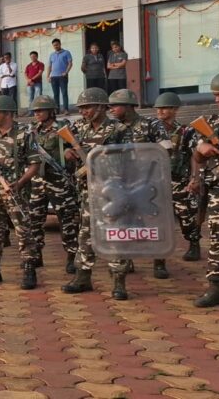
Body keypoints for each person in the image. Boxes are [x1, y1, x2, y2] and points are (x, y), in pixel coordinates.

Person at [60, 88, 131, 297]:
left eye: (87, 107)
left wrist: (103, 162)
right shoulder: (79, 128)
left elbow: (130, 158)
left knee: (116, 236)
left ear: (101, 107)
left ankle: (119, 282)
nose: (83, 112)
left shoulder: (118, 129)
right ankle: (82, 277)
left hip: (113, 192)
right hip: (87, 192)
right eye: (81, 108)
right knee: (85, 234)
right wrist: (68, 151)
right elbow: (64, 146)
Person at [0, 96, 41, 289]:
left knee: (23, 231)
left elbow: (35, 164)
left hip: (14, 191)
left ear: (8, 113)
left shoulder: (25, 134)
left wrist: (19, 183)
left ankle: (29, 269)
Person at [108, 88, 171, 289]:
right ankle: (124, 264)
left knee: (155, 223)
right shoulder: (113, 128)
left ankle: (159, 260)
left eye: (115, 105)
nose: (111, 109)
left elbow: (166, 149)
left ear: (128, 106)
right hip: (123, 186)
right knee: (123, 226)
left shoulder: (151, 124)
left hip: (149, 184)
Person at [27, 95, 80, 274]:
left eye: (40, 110)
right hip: (38, 181)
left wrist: (68, 151)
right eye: (35, 111)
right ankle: (36, 256)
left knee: (67, 219)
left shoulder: (63, 128)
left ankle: (72, 257)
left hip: (59, 180)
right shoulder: (33, 131)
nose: (37, 114)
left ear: (51, 111)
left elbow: (78, 147)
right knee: (35, 219)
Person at [153, 92, 201, 262]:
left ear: (175, 109)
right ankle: (159, 258)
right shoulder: (152, 130)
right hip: (157, 183)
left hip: (179, 182)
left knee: (186, 216)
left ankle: (194, 244)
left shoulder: (186, 131)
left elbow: (194, 155)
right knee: (156, 220)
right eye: (158, 108)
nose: (160, 111)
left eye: (164, 108)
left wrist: (194, 179)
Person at [190, 72, 219, 307]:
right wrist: (201, 148)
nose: (218, 100)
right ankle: (217, 287)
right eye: (215, 95)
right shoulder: (213, 122)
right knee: (218, 238)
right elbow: (196, 158)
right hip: (217, 191)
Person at [46, 38, 73, 114]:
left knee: (64, 93)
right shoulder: (52, 55)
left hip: (62, 76)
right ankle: (56, 110)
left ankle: (66, 109)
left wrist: (66, 72)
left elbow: (70, 63)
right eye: (54, 45)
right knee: (55, 94)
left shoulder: (66, 52)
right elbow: (49, 66)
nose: (56, 46)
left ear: (60, 44)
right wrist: (48, 76)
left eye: (57, 45)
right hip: (53, 77)